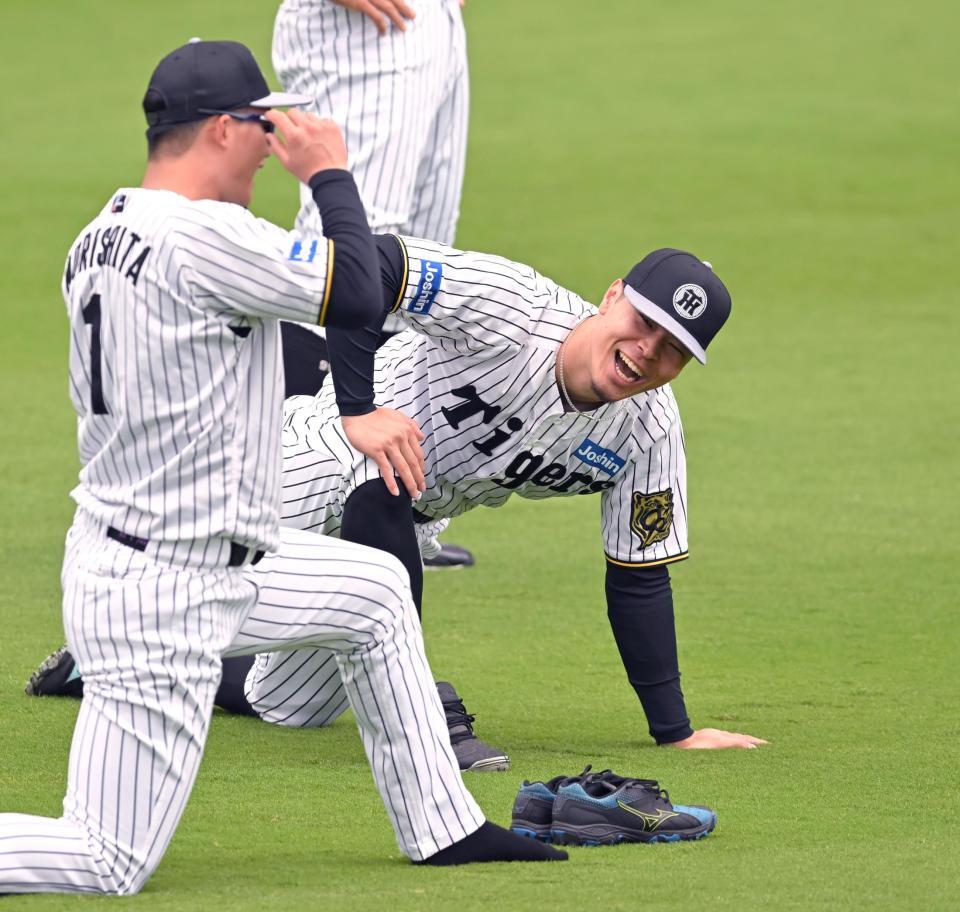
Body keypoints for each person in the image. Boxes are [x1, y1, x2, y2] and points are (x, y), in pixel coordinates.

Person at [0, 39, 564, 896]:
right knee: (107, 858)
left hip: (176, 558)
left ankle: (444, 830)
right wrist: (329, 174)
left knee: (374, 594)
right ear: (220, 129)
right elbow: (361, 291)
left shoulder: (101, 231)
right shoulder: (206, 236)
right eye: (260, 124)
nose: (272, 143)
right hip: (162, 592)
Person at [272, 0, 475, 569]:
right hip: (361, 29)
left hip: (431, 21)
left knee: (416, 261)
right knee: (348, 248)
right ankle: (287, 511)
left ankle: (384, 514)